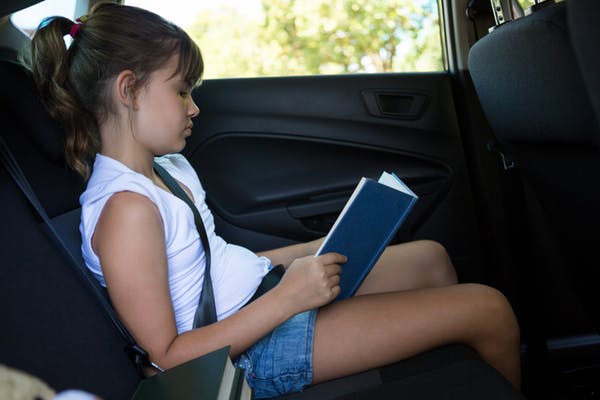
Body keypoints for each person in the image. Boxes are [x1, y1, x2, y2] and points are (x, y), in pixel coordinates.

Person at [28, 3, 521, 398]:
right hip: (251, 353)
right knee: (488, 309)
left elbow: (211, 264)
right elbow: (166, 359)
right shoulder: (125, 210)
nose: (194, 107)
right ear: (129, 90)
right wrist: (290, 298)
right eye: (181, 92)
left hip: (265, 298)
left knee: (431, 259)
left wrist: (313, 248)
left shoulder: (167, 170)